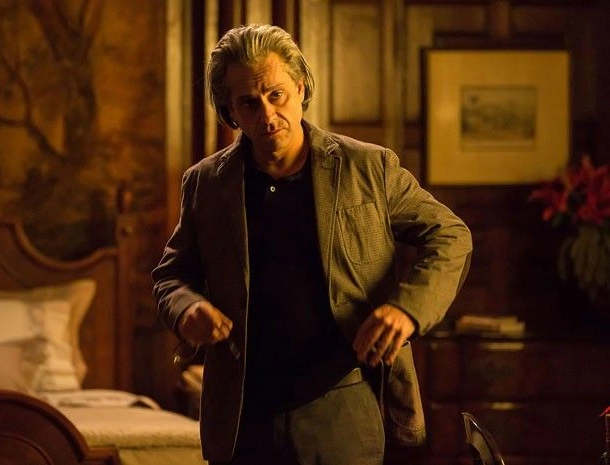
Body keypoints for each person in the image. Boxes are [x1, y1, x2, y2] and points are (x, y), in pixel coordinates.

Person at [152, 23, 472, 465]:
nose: (267, 115)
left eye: (276, 95)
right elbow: (171, 276)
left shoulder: (368, 168)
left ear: (300, 88)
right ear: (231, 111)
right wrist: (187, 309)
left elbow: (450, 235)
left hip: (341, 405)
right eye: (249, 103)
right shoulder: (206, 184)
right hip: (244, 413)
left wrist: (407, 310)